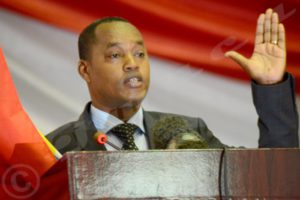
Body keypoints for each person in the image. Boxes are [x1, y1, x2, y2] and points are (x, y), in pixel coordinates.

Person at [46, 9, 299, 154]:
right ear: (85, 70)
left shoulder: (189, 134)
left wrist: (270, 86)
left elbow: (273, 177)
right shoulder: (55, 149)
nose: (132, 64)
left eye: (139, 54)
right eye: (115, 55)